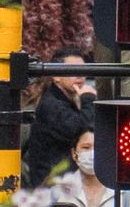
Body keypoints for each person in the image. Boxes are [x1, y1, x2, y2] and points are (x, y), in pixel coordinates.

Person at [23, 49, 98, 179]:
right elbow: (75, 128)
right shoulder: (51, 104)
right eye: (73, 71)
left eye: (83, 70)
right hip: (51, 181)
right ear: (57, 76)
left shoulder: (67, 100)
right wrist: (88, 100)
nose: (80, 76)